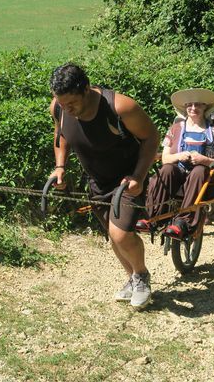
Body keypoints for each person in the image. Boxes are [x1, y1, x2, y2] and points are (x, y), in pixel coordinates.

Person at [48, 64, 160, 309]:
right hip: (96, 181)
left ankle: (141, 276)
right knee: (113, 236)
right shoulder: (59, 107)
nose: (67, 109)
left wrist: (139, 177)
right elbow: (61, 136)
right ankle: (131, 278)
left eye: (72, 104)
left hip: (127, 180)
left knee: (121, 233)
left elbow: (151, 137)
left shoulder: (120, 107)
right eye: (62, 103)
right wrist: (60, 167)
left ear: (86, 89)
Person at [142, 89, 214, 239]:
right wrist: (178, 156)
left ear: (205, 107)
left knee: (199, 171)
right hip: (178, 173)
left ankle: (183, 222)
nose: (193, 108)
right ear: (185, 107)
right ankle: (153, 218)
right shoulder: (175, 129)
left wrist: (204, 160)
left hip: (204, 178)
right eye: (190, 104)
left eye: (198, 104)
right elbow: (165, 158)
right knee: (167, 169)